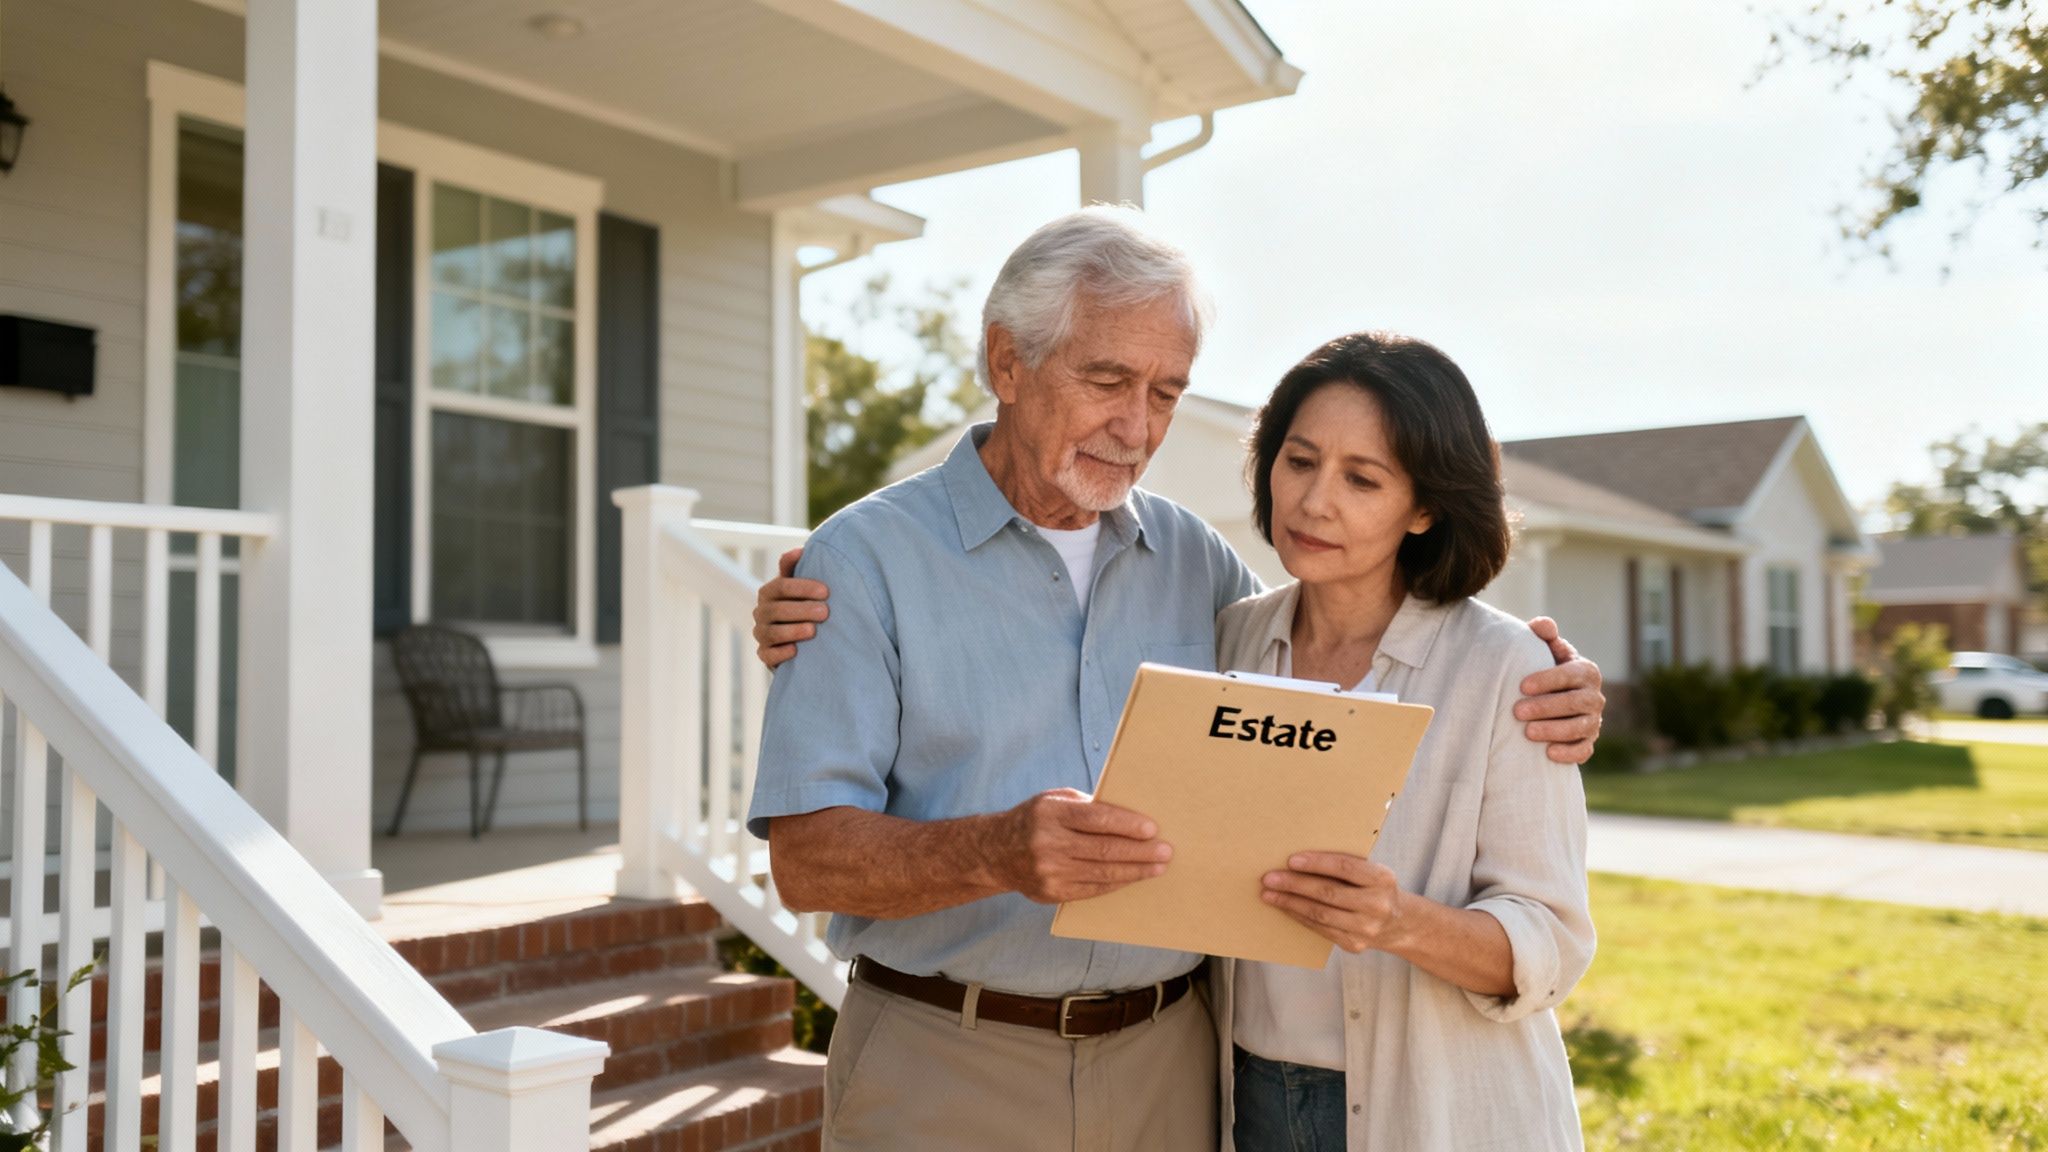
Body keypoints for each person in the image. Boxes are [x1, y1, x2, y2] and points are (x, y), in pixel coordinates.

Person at [745, 207, 1604, 1152]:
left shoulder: (1198, 570)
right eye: (1108, 380)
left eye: (1166, 392)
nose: (1136, 426)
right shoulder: (860, 564)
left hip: (1173, 1071)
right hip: (947, 1061)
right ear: (1006, 362)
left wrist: (1555, 680)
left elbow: (1345, 632)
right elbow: (807, 861)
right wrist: (993, 851)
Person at [1217, 331, 1592, 1151]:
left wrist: (1398, 921)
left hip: (1444, 1110)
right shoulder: (1226, 646)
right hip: (1241, 1101)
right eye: (1300, 460)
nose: (1315, 501)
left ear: (1424, 507)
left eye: (1362, 479)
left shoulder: (1508, 671)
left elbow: (1551, 942)